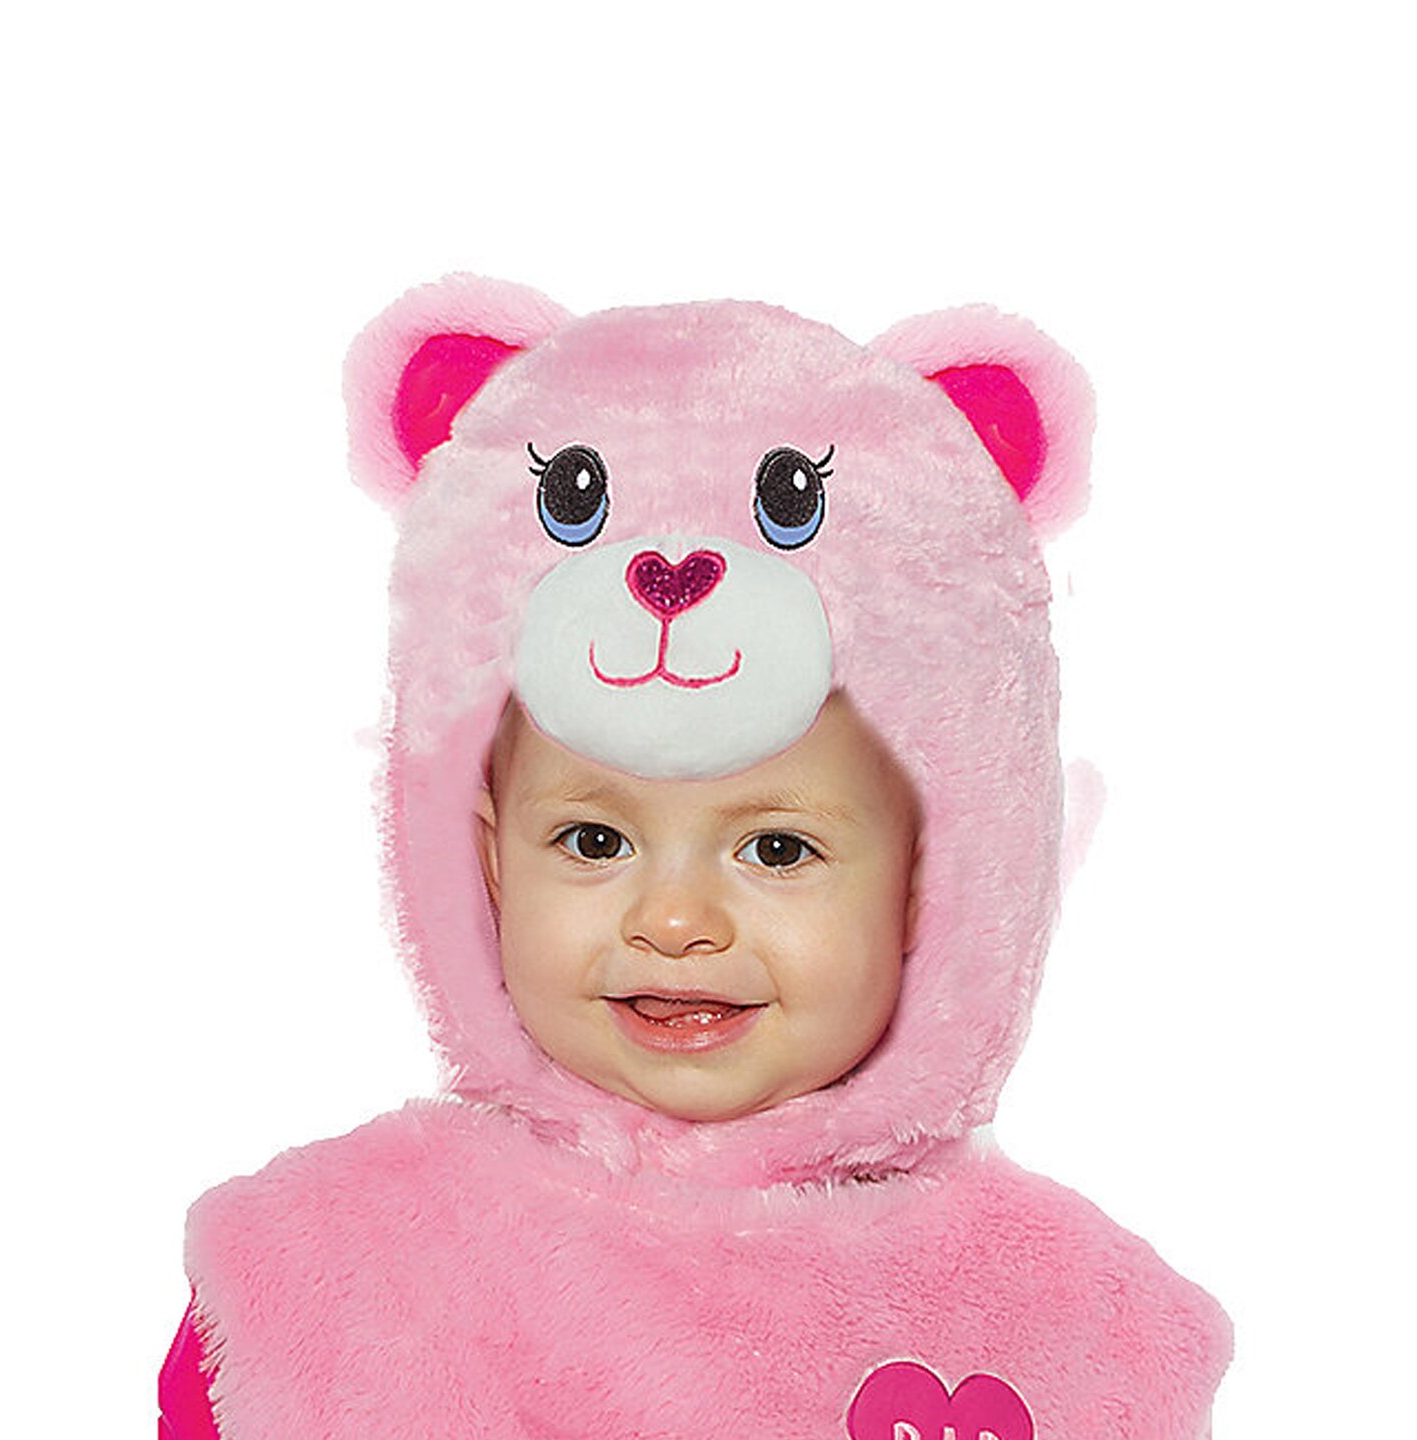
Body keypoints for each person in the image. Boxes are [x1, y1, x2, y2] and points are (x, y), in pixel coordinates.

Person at [161, 277, 1230, 1439]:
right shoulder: (328, 1285)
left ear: (937, 892)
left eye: (777, 848)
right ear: (486, 864)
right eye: (594, 840)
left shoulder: (1075, 1330)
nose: (673, 921)